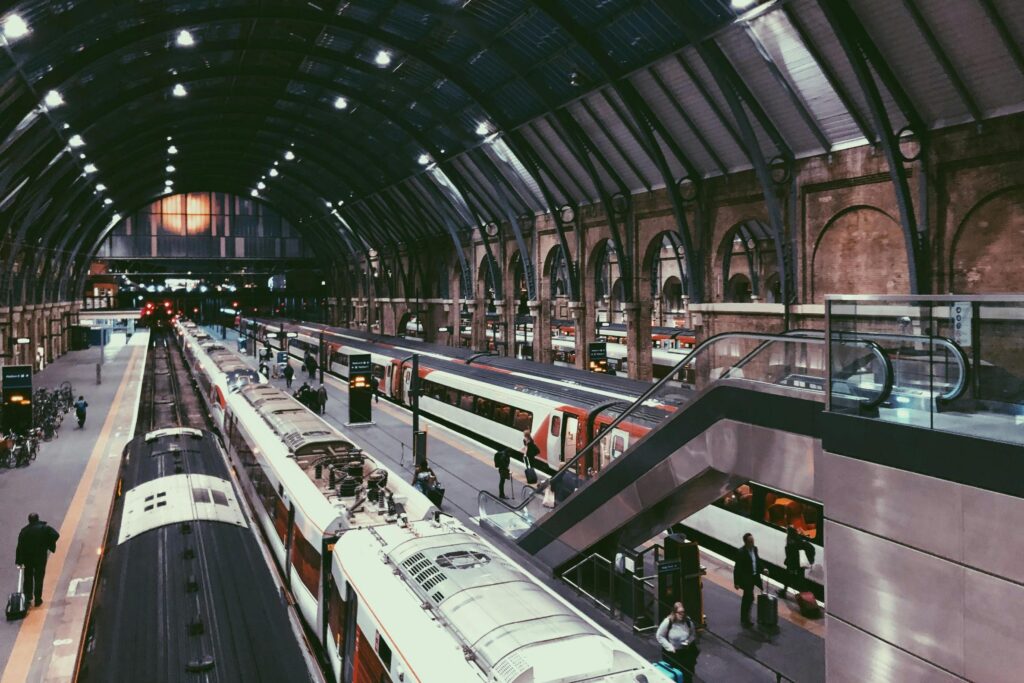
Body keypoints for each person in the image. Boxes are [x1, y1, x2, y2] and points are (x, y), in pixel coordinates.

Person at [15, 513, 60, 608]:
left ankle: (28, 598)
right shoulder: (44, 528)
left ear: (29, 520)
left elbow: (20, 547)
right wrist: (48, 543)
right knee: (39, 578)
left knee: (28, 577)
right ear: (38, 519)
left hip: (28, 558)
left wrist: (19, 560)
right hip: (40, 557)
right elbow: (56, 535)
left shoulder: (24, 531)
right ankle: (38, 599)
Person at [656, 602, 698, 682]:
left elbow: (693, 634)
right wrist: (669, 647)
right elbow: (659, 636)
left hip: (685, 653)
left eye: (683, 612)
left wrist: (688, 641)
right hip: (673, 654)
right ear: (674, 613)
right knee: (674, 676)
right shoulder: (668, 622)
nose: (682, 614)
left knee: (687, 676)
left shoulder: (688, 621)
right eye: (680, 613)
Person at [733, 532, 766, 627]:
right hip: (746, 578)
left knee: (749, 598)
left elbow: (757, 561)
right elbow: (737, 568)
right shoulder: (741, 552)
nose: (752, 543)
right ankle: (745, 619)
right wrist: (736, 582)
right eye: (750, 541)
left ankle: (745, 617)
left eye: (753, 541)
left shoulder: (755, 549)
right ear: (746, 542)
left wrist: (763, 568)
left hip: (754, 577)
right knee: (748, 597)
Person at [779, 526, 815, 597]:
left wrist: (793, 568)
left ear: (789, 532)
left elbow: (793, 555)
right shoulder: (796, 539)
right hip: (797, 564)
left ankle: (805, 597)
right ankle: (785, 592)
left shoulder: (792, 541)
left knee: (797, 580)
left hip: (795, 564)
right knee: (798, 579)